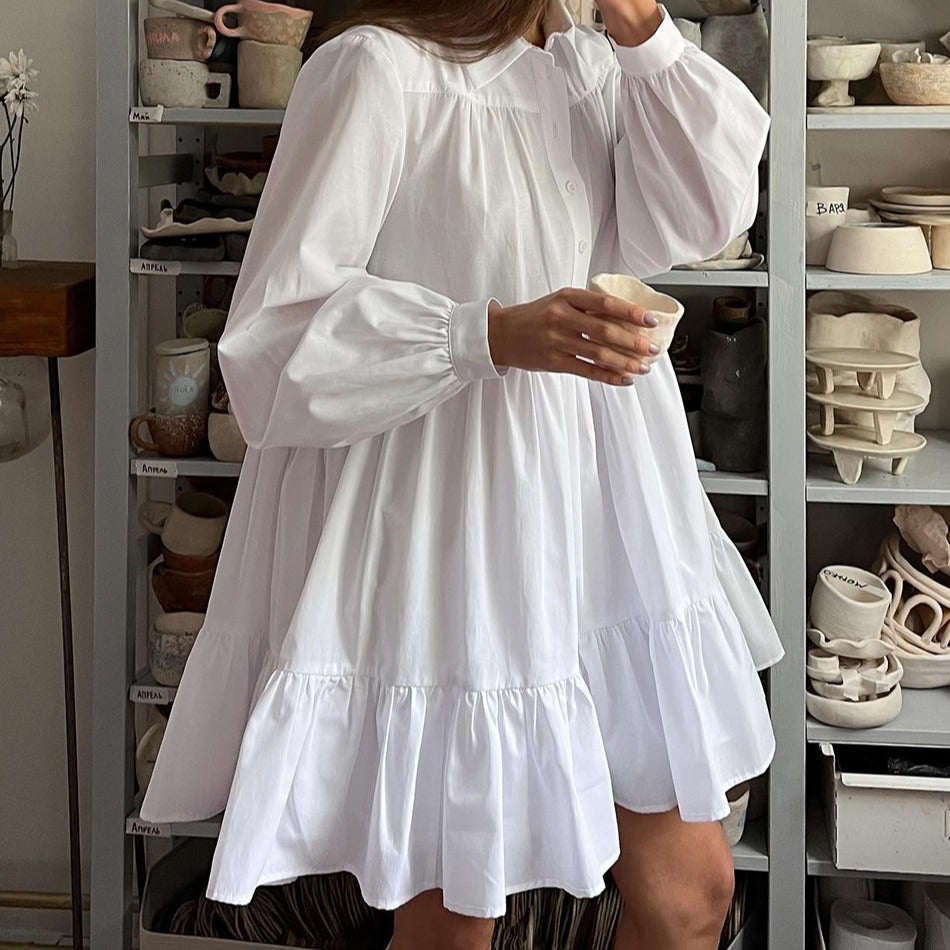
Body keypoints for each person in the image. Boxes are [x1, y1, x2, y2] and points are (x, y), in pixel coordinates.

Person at [140, 1, 784, 947]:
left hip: (604, 517)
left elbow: (706, 213)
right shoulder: (374, 68)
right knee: (454, 925)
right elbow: (271, 338)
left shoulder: (590, 65)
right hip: (460, 525)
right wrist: (484, 334)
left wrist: (643, 26)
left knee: (693, 900)